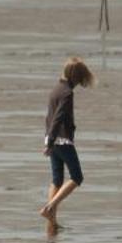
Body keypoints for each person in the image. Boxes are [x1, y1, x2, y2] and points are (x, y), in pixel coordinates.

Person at [39, 56, 94, 226]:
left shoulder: (56, 89)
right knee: (77, 177)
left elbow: (49, 117)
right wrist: (52, 141)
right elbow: (58, 117)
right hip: (62, 141)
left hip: (52, 139)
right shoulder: (67, 93)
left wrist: (48, 140)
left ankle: (51, 222)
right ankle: (49, 208)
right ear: (77, 77)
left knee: (57, 180)